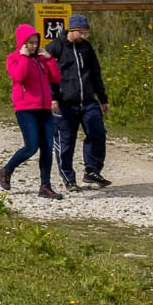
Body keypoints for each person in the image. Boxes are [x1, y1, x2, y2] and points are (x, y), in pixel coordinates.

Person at [0, 22, 63, 199]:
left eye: (36, 42)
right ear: (23, 43)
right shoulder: (14, 58)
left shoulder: (42, 59)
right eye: (31, 43)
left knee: (47, 147)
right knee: (31, 147)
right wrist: (25, 58)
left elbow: (56, 77)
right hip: (26, 108)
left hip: (44, 108)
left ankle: (45, 186)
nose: (35, 46)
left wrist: (49, 59)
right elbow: (19, 77)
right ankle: (7, 170)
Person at [51, 13, 111, 189]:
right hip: (64, 103)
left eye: (86, 33)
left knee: (98, 132)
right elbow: (48, 74)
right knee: (66, 141)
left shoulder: (86, 48)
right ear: (72, 30)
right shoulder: (56, 47)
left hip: (87, 101)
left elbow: (95, 73)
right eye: (82, 33)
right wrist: (53, 97)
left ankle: (92, 171)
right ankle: (68, 178)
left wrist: (103, 99)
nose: (84, 36)